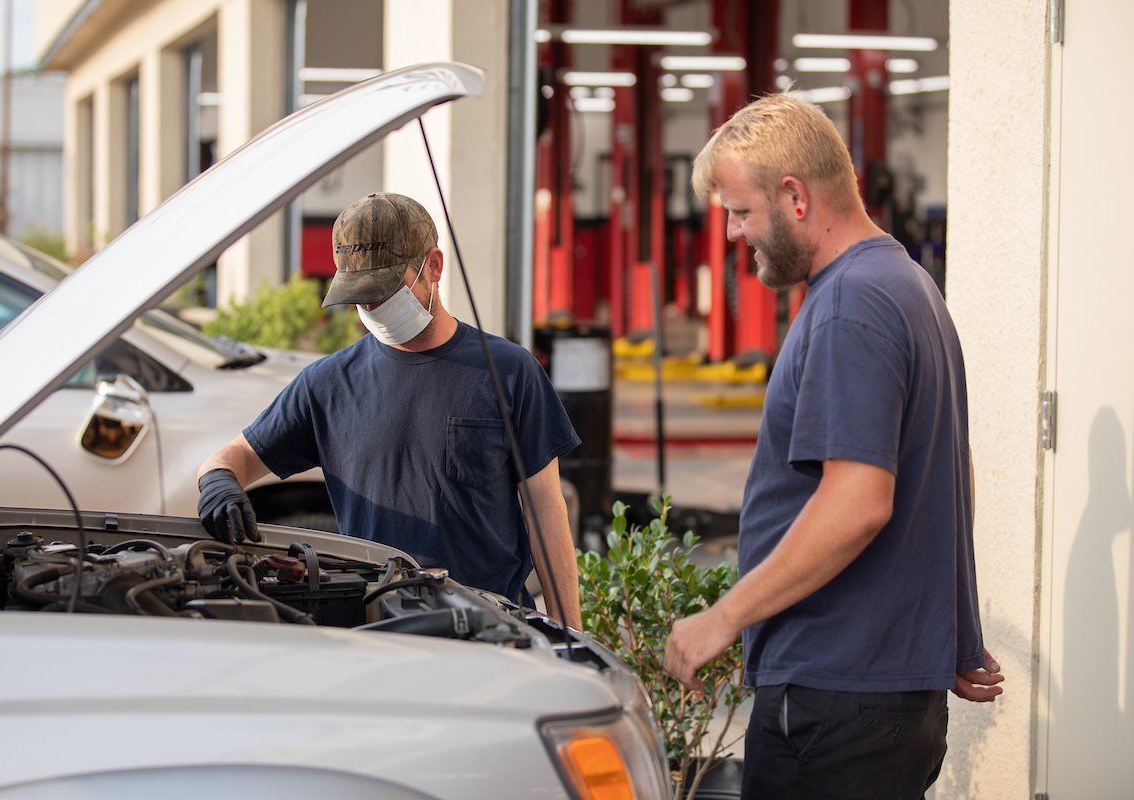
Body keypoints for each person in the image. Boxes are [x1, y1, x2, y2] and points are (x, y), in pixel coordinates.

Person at [662, 95, 1003, 798]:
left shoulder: (853, 304)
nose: (731, 233)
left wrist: (721, 619)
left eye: (740, 211)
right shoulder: (909, 286)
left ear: (793, 197)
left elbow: (859, 502)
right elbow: (947, 474)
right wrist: (953, 632)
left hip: (835, 700)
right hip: (883, 694)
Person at [195, 192, 582, 628]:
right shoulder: (328, 385)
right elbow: (230, 459)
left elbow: (545, 508)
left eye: (385, 291)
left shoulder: (509, 373)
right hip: (376, 632)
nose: (373, 308)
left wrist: (570, 635)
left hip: (487, 635)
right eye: (361, 295)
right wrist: (219, 483)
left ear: (433, 267)